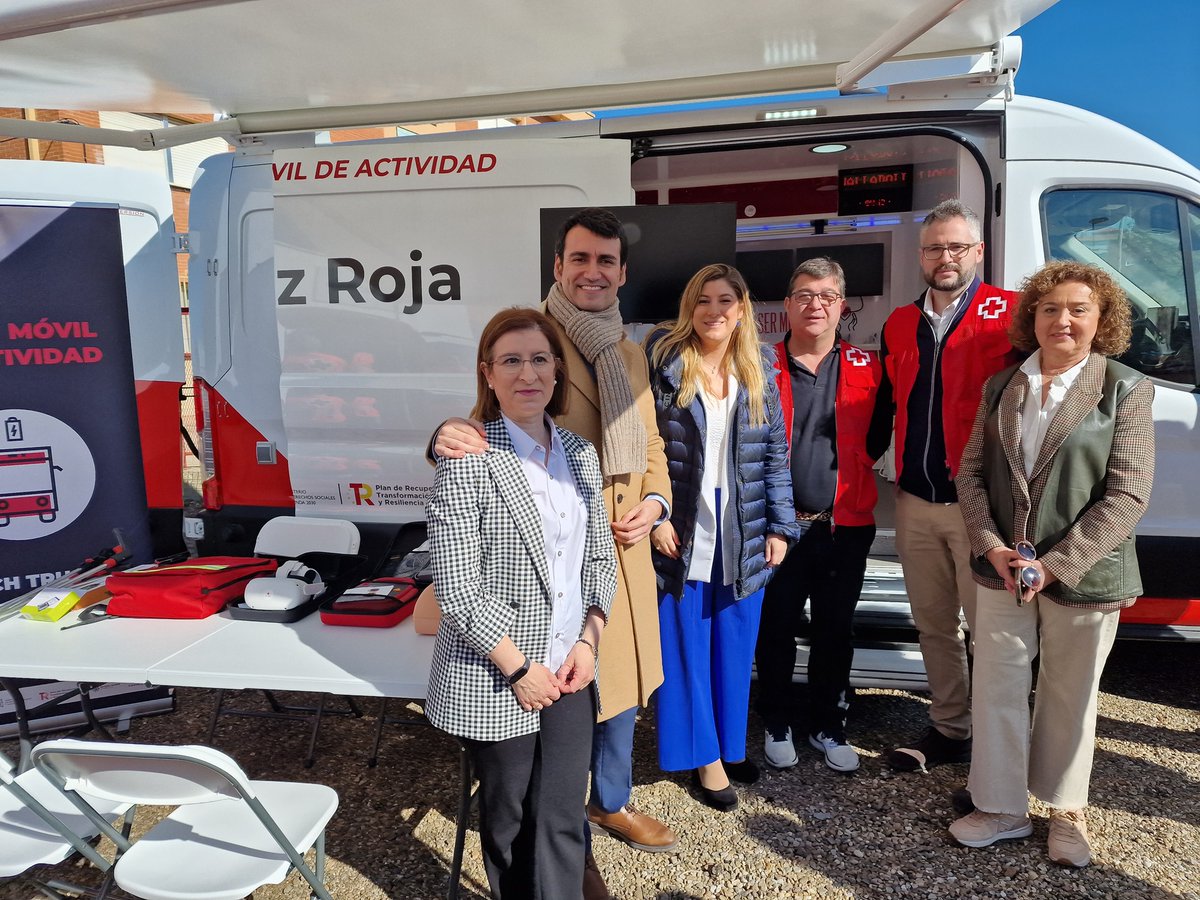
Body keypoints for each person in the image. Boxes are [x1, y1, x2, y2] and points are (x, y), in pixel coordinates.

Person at [432, 208, 676, 897]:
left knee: (600, 712)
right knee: (515, 792)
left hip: (604, 560)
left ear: (622, 273)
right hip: (534, 581)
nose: (593, 272)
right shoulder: (541, 337)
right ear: (559, 269)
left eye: (606, 261)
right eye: (580, 259)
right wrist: (444, 435)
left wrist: (654, 504)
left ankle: (592, 829)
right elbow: (485, 424)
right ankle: (572, 867)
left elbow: (650, 447)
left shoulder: (626, 350)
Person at [949, 260, 1154, 867]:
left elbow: (1127, 495)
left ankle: (1066, 812)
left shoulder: (1125, 387)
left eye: (1078, 309)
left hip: (1083, 573)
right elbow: (970, 476)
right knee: (998, 686)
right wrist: (992, 547)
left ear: (1102, 320)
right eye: (1049, 308)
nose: (1062, 320)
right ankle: (1002, 807)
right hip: (1002, 568)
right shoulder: (1001, 385)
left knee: (1070, 693)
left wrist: (1055, 564)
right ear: (1031, 317)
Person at [424, 307, 617, 899]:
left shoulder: (582, 456)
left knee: (561, 815)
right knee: (506, 820)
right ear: (488, 374)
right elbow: (457, 590)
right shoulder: (467, 462)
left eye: (539, 359)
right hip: (497, 676)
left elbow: (599, 562)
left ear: (557, 371)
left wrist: (589, 639)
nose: (527, 373)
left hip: (568, 667)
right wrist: (520, 669)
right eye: (511, 361)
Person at [868, 199, 1021, 772]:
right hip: (916, 501)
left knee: (992, 633)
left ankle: (1000, 745)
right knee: (934, 625)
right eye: (935, 247)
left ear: (978, 252)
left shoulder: (1012, 314)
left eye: (958, 246)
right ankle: (951, 729)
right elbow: (884, 405)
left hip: (980, 508)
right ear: (921, 255)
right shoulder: (899, 324)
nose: (946, 257)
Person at [644, 264, 799, 810]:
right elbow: (648, 446)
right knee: (687, 639)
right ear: (691, 307)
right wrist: (656, 515)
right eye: (704, 300)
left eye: (726, 300)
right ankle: (704, 759)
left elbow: (774, 455)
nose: (715, 310)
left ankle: (729, 744)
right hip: (684, 521)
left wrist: (782, 524)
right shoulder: (664, 364)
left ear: (742, 308)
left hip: (744, 521)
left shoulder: (760, 368)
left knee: (734, 640)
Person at [755, 257, 882, 773]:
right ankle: (777, 720)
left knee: (836, 630)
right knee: (777, 627)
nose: (816, 304)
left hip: (844, 526)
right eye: (805, 294)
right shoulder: (760, 366)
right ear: (787, 305)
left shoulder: (869, 368)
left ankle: (829, 724)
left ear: (842, 306)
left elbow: (882, 435)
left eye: (827, 296)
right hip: (779, 528)